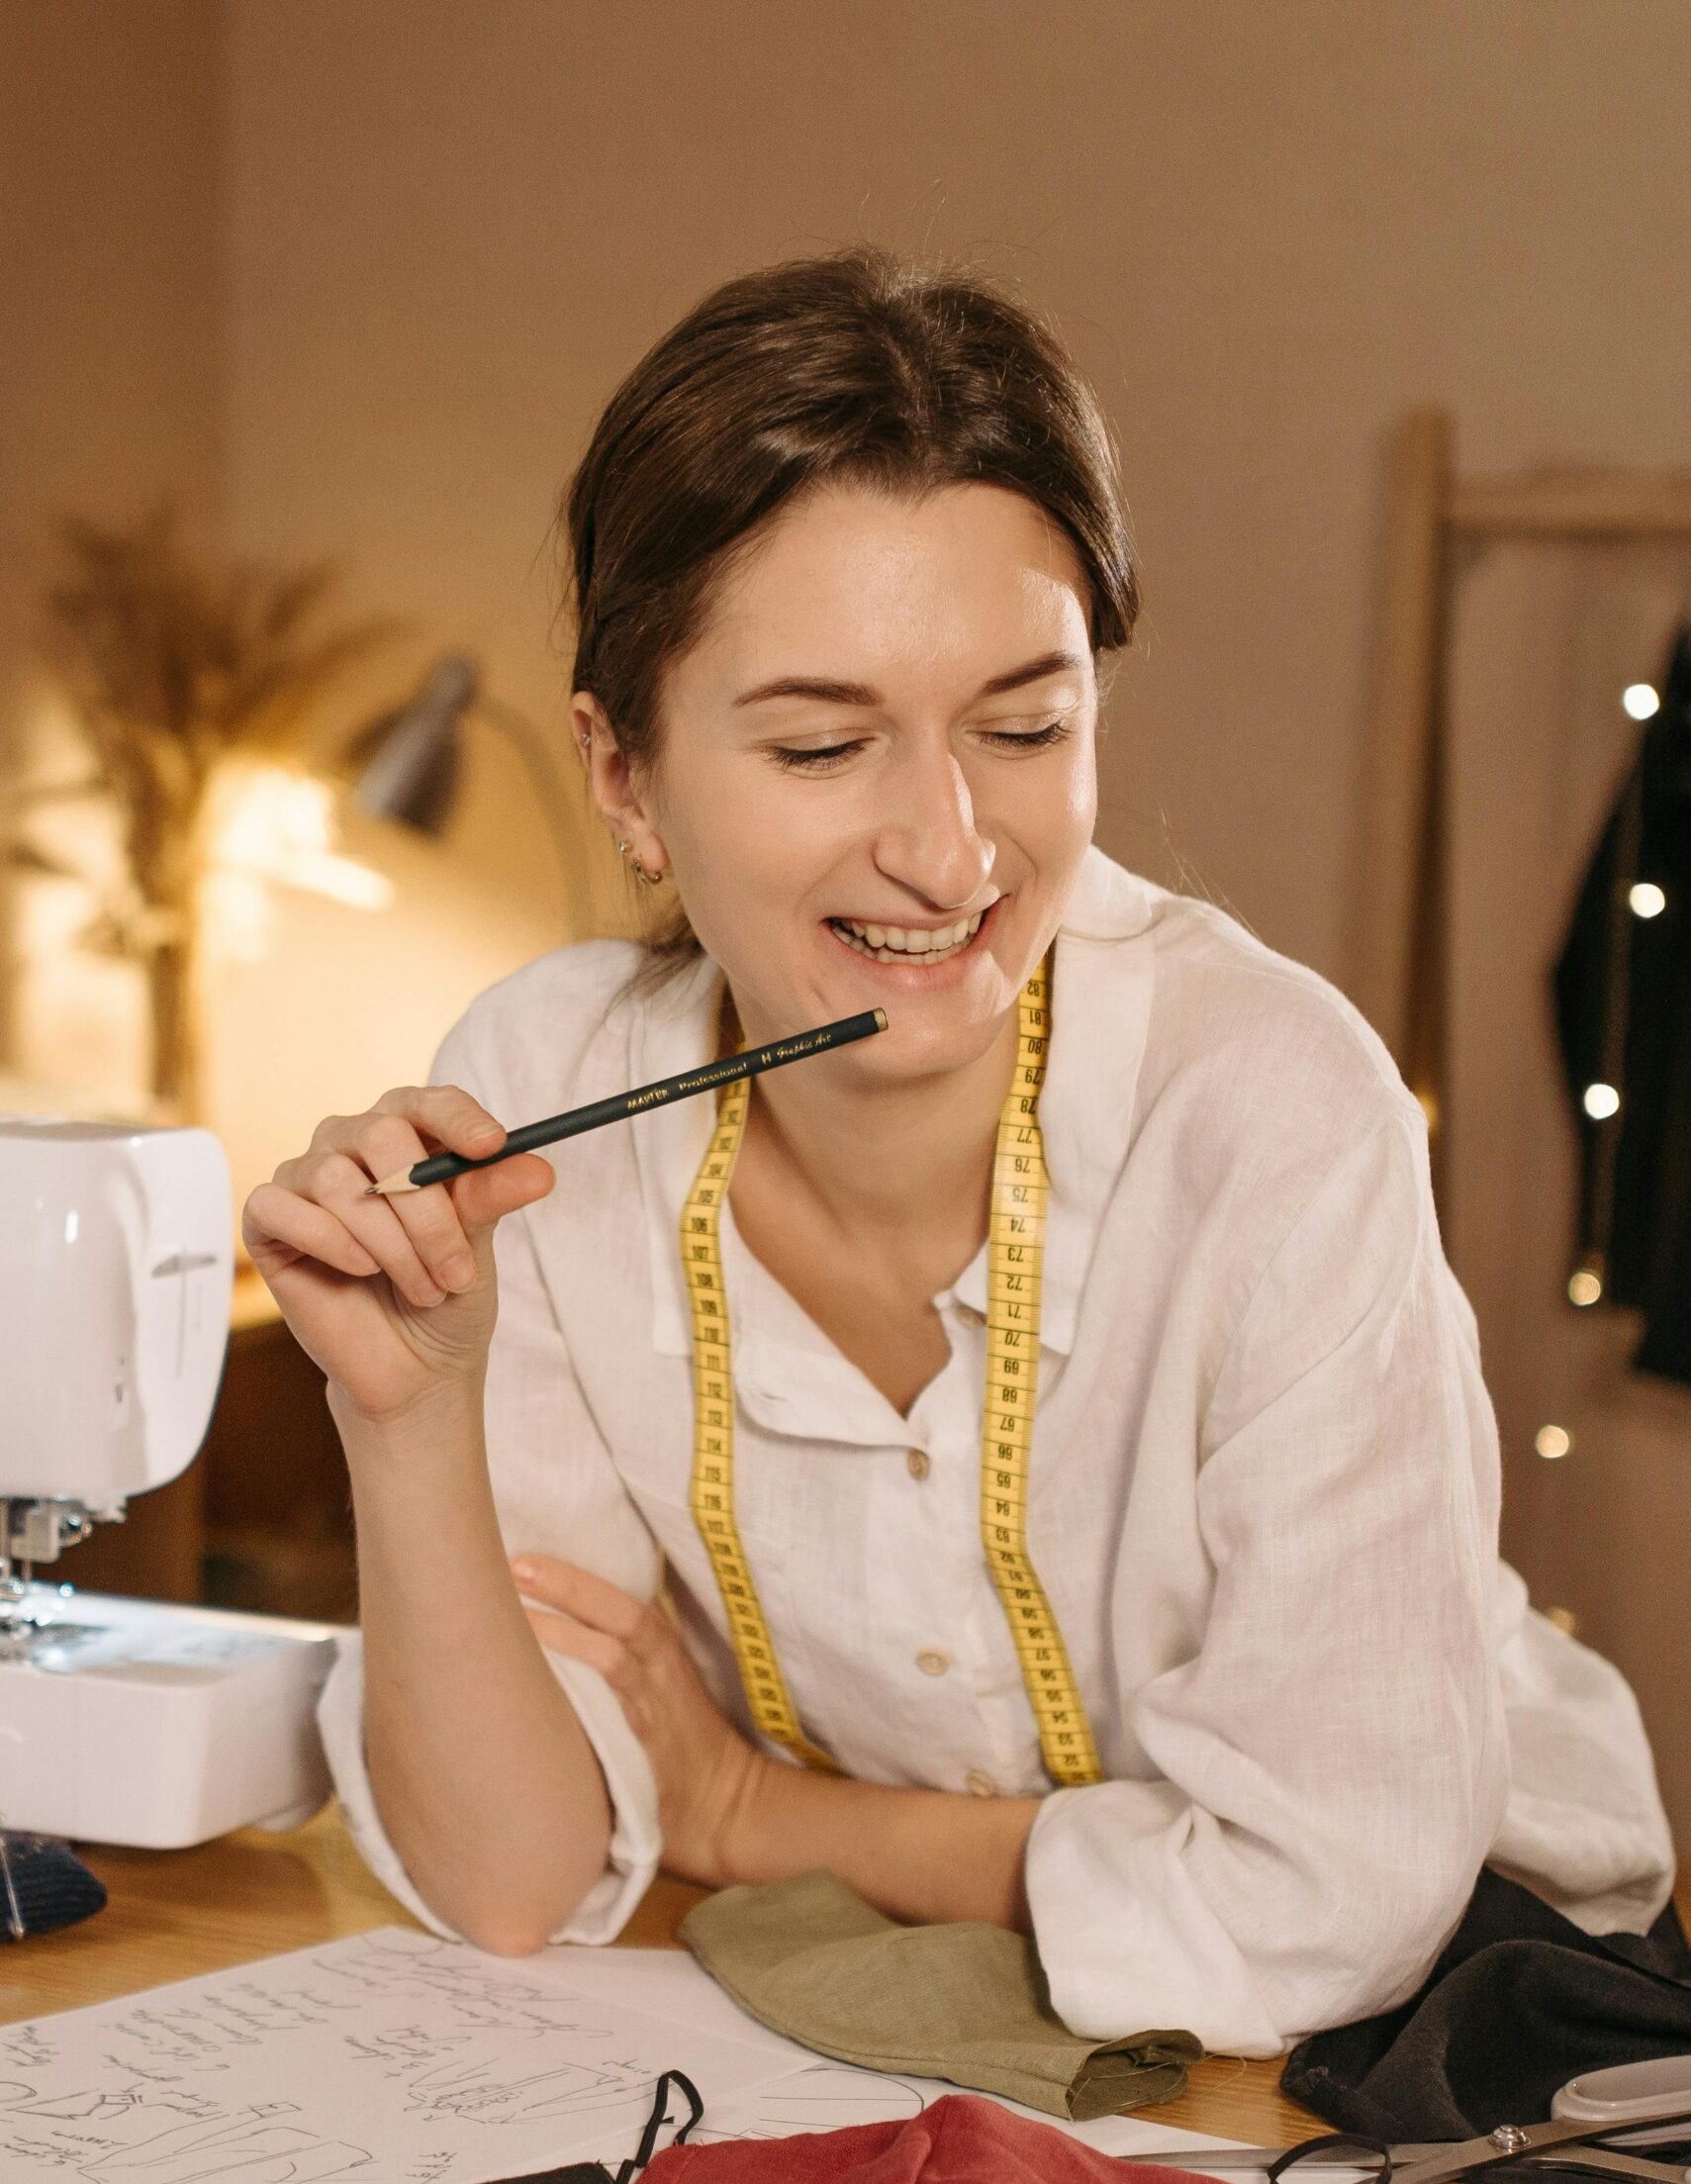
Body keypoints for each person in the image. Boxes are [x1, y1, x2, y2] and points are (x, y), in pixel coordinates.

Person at [245, 249, 1674, 2056]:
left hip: (1455, 2019)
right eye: (825, 741)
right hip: (895, 2003)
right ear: (623, 778)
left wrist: (760, 1817)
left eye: (1025, 726)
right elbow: (514, 1882)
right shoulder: (539, 1085)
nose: (947, 849)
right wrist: (405, 1418)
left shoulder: (1272, 1112)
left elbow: (1333, 1904)